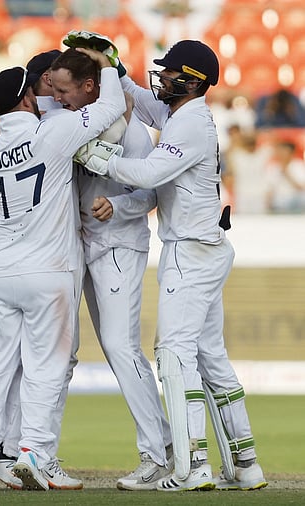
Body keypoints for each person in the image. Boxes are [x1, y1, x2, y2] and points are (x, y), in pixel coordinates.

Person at [73, 37, 269, 491]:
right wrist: (114, 67)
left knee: (173, 355)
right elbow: (140, 103)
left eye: (168, 72)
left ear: (191, 80)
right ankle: (245, 464)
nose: (160, 78)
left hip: (190, 252)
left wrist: (88, 152)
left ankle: (190, 465)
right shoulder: (185, 115)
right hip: (203, 248)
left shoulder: (190, 125)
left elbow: (146, 175)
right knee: (209, 358)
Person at [0, 48, 125, 492]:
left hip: (1, 270)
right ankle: (33, 452)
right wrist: (106, 65)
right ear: (29, 98)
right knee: (46, 366)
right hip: (47, 269)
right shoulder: (54, 132)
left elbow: (9, 137)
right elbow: (109, 107)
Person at [49, 43, 172, 490]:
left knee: (122, 348)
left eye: (65, 91)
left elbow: (152, 193)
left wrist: (117, 208)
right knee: (115, 349)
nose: (59, 98)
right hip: (83, 247)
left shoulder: (134, 132)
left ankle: (157, 455)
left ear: (88, 86)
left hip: (120, 245)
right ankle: (165, 447)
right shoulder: (72, 122)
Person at [264, 140, 305, 213]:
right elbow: (270, 188)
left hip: (296, 202)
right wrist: (268, 205)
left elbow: (301, 187)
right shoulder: (273, 167)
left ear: (291, 152)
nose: (282, 154)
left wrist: (287, 173)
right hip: (278, 203)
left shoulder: (299, 165)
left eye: (285, 151)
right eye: (280, 151)